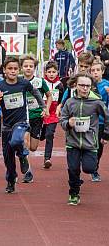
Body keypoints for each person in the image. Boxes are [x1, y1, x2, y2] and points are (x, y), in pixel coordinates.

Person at [0, 57, 46, 194]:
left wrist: (43, 107)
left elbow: (35, 93)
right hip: (6, 126)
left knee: (17, 140)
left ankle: (23, 155)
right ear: (4, 70)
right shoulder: (0, 86)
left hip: (21, 122)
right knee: (8, 158)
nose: (13, 71)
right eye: (10, 69)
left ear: (19, 70)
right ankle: (11, 180)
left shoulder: (23, 83)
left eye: (15, 69)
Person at [60, 73, 109, 205]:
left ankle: (80, 175)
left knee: (89, 168)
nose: (85, 88)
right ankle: (74, 193)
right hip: (73, 142)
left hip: (90, 143)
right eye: (82, 85)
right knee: (73, 169)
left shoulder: (96, 102)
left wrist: (106, 134)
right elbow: (62, 120)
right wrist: (68, 124)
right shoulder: (70, 102)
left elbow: (107, 116)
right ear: (76, 85)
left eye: (88, 86)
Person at [21, 54, 52, 182]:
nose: (28, 68)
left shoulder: (40, 82)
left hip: (36, 116)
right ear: (21, 68)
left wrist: (46, 109)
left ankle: (25, 153)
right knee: (25, 144)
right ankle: (28, 171)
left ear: (34, 68)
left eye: (31, 66)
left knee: (33, 147)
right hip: (23, 117)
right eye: (25, 66)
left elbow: (49, 96)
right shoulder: (18, 81)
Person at [40, 61, 64, 169]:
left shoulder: (60, 85)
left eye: (54, 72)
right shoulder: (42, 83)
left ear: (57, 72)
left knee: (50, 135)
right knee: (41, 136)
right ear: (45, 72)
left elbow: (61, 99)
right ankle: (42, 133)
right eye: (49, 72)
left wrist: (59, 108)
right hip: (42, 111)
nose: (51, 74)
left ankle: (47, 158)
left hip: (53, 114)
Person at [89, 59, 109, 182]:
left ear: (102, 71)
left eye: (98, 70)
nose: (95, 73)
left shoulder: (107, 85)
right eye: (93, 70)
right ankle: (87, 164)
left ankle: (94, 169)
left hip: (101, 121)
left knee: (99, 147)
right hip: (89, 120)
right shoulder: (87, 84)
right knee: (89, 145)